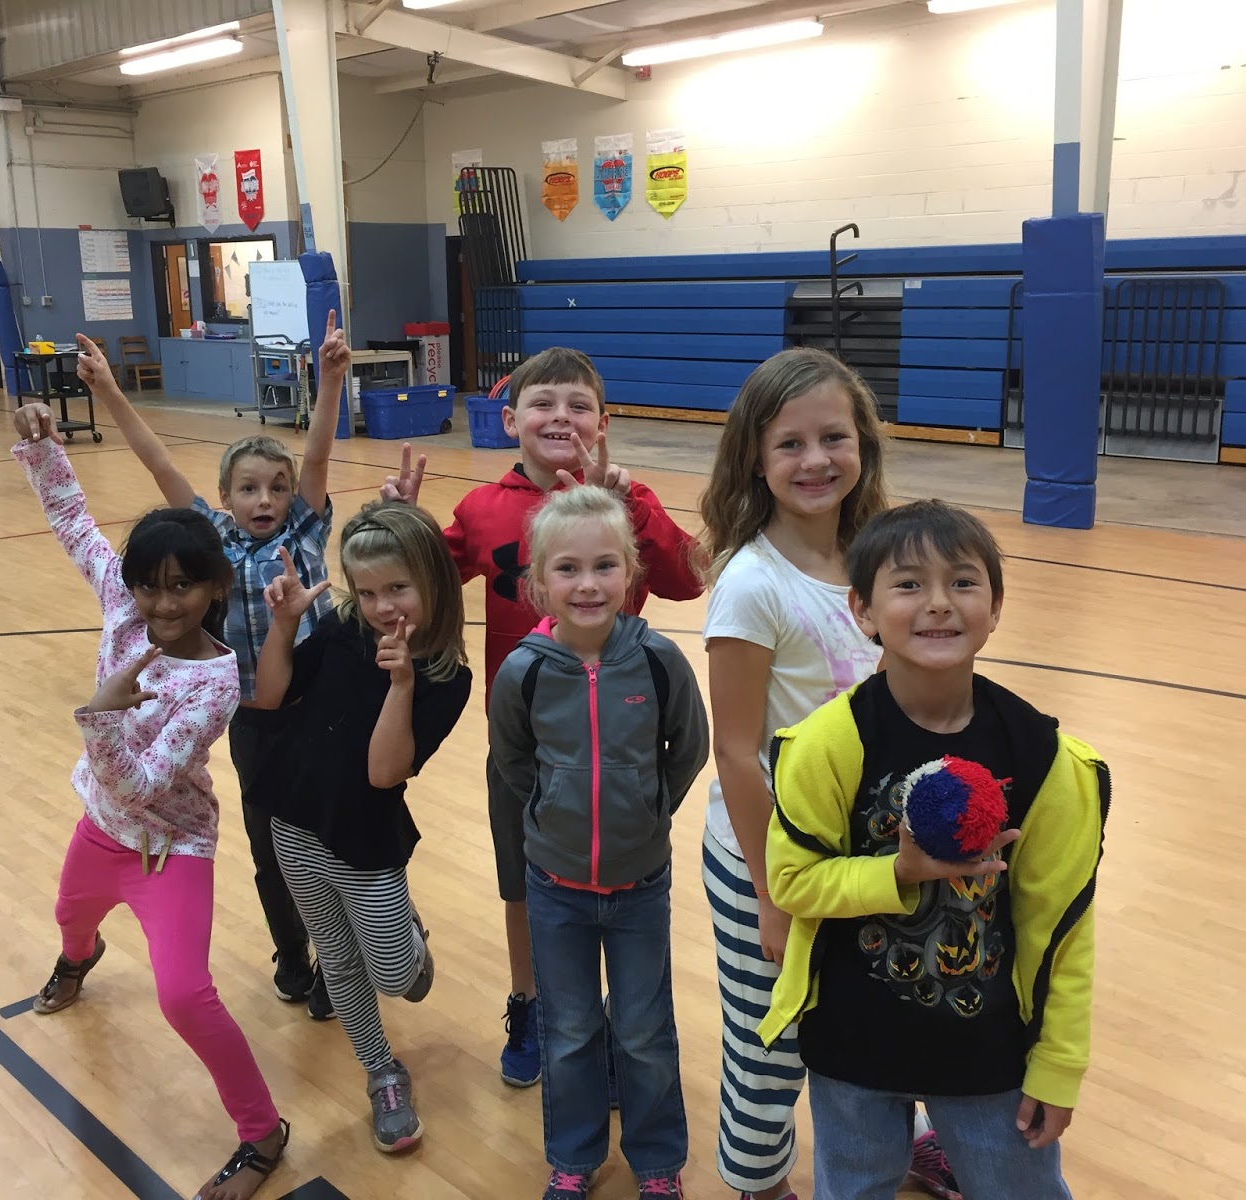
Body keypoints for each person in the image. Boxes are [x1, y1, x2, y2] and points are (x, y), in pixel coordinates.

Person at [763, 500, 1109, 1200]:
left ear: (996, 607)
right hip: (853, 1042)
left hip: (988, 1053)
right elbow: (794, 882)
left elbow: (1062, 929)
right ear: (863, 610)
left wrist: (1058, 1066)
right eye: (909, 584)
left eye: (963, 582)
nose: (940, 603)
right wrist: (899, 873)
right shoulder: (826, 746)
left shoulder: (1044, 759)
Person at [381, 346, 704, 1086]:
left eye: (578, 405)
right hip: (526, 750)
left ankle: (622, 1019)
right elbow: (421, 587)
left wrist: (633, 506)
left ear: (603, 423)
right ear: (509, 421)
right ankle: (530, 1002)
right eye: (543, 403)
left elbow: (688, 578)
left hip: (625, 745)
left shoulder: (626, 503)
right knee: (524, 884)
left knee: (628, 894)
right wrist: (401, 525)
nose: (561, 417)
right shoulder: (483, 508)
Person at [12, 402, 289, 1200]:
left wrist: (101, 714)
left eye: (182, 588)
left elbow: (141, 783)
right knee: (69, 918)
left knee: (184, 996)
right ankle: (80, 957)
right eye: (147, 587)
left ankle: (262, 1133)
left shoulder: (216, 682)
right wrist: (43, 449)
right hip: (100, 831)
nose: (162, 605)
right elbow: (73, 522)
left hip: (170, 849)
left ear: (214, 587)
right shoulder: (122, 603)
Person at [698, 348, 951, 1200]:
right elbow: (737, 751)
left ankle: (906, 1144)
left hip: (865, 853)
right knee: (769, 1044)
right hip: (770, 859)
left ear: (863, 444)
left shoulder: (879, 559)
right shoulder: (751, 583)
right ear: (755, 459)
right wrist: (773, 891)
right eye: (790, 444)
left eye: (834, 437)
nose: (815, 460)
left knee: (882, 1012)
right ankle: (759, 1182)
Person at [76, 319, 349, 1016]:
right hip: (252, 719)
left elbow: (318, 453)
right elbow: (159, 464)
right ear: (225, 498)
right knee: (268, 845)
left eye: (277, 487)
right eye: (249, 488)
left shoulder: (305, 527)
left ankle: (339, 959)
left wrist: (330, 380)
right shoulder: (211, 541)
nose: (265, 500)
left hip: (317, 710)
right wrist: (108, 391)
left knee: (324, 841)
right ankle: (291, 952)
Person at [489, 486, 709, 1199]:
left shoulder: (658, 661)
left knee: (644, 1031)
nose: (588, 584)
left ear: (631, 573)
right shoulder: (523, 671)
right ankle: (573, 1156)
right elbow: (512, 759)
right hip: (555, 889)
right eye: (568, 569)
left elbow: (689, 748)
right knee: (570, 1030)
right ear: (538, 581)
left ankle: (658, 1164)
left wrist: (646, 810)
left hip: (640, 885)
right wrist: (554, 810)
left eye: (604, 566)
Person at [243, 503, 471, 1154]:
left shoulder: (446, 677)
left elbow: (383, 772)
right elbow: (269, 696)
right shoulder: (344, 628)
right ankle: (382, 1073)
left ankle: (406, 936)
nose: (379, 607)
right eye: (366, 592)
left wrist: (400, 684)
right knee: (339, 962)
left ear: (434, 581)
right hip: (293, 822)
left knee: (399, 978)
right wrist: (284, 625)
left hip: (365, 842)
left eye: (397, 588)